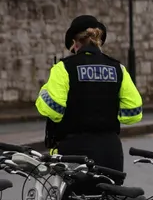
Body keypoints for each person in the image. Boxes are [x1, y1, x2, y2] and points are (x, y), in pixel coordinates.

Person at [35, 15, 143, 172]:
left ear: (74, 43)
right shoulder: (118, 68)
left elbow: (53, 109)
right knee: (109, 189)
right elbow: (134, 112)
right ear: (99, 41)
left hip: (74, 152)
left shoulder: (64, 68)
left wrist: (44, 91)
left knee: (74, 190)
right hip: (110, 152)